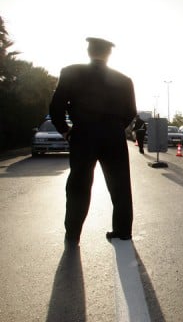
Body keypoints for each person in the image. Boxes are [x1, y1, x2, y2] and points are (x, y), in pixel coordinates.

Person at [49, 37, 137, 244]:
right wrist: (115, 128)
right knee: (120, 185)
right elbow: (131, 111)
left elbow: (56, 106)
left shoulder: (71, 72)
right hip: (113, 136)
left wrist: (65, 130)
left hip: (83, 134)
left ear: (89, 51)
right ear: (109, 54)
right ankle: (123, 231)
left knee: (79, 184)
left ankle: (72, 234)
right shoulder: (124, 80)